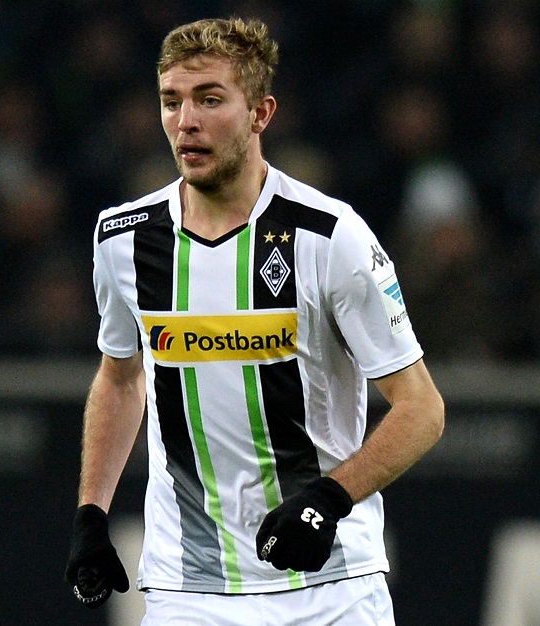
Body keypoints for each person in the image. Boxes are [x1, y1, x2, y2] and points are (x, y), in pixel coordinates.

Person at [65, 17, 445, 625]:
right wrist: (92, 514)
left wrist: (328, 499)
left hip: (331, 588)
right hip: (188, 590)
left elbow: (422, 408)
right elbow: (120, 378)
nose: (186, 121)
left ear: (260, 114)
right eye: (172, 101)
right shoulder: (123, 239)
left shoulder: (331, 237)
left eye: (210, 99)